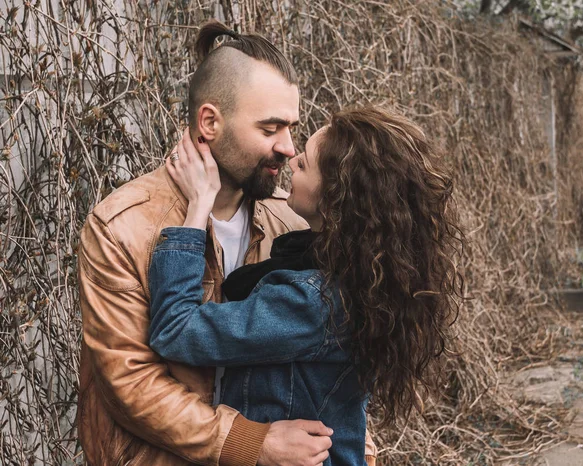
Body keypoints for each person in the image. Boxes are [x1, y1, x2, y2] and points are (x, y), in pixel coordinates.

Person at [77, 20, 371, 466]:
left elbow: (337, 360)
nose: (289, 148)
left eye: (291, 127)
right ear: (210, 122)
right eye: (271, 128)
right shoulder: (122, 226)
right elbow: (131, 384)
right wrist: (252, 443)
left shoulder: (287, 216)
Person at [147, 107, 465, 465]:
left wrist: (197, 210)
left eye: (305, 163)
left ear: (338, 196)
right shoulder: (362, 278)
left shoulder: (313, 301)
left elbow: (175, 330)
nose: (291, 158)